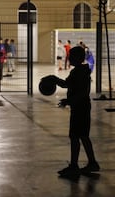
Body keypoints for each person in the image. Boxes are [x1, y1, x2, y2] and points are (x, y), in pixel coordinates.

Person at [44, 46, 100, 177]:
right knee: (83, 136)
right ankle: (92, 163)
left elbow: (81, 93)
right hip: (82, 107)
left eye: (71, 56)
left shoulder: (78, 73)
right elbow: (66, 84)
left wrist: (69, 101)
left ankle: (75, 166)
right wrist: (54, 78)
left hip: (80, 108)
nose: (69, 58)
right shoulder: (81, 71)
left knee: (75, 136)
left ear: (77, 58)